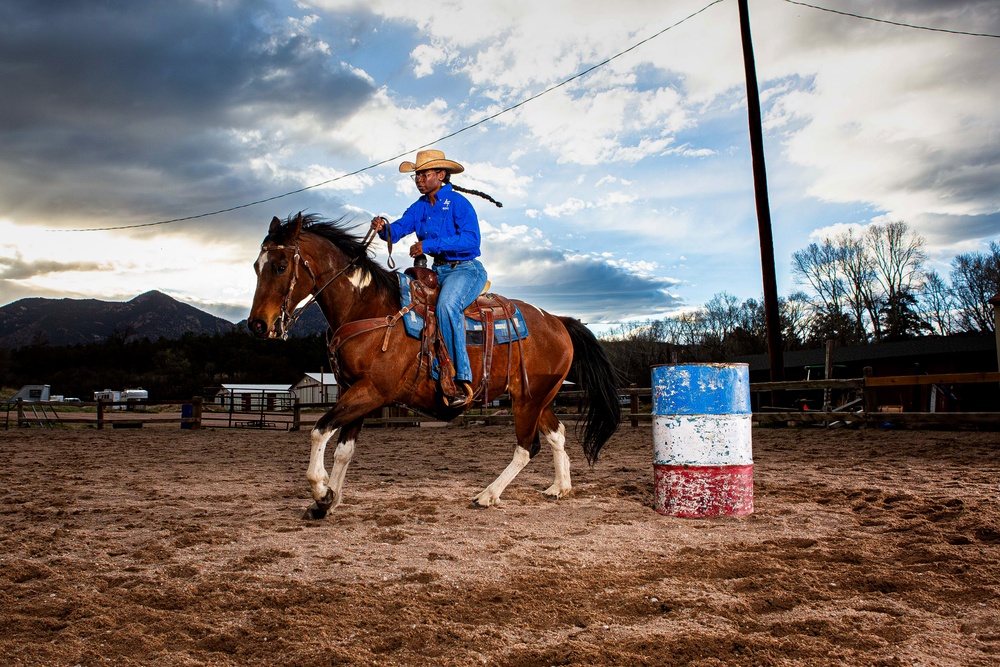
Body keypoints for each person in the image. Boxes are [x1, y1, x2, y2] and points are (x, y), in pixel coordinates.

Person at [371, 149, 492, 408]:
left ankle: (460, 378)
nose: (419, 179)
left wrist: (428, 245)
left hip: (465, 269)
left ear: (441, 174)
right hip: (437, 272)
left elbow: (472, 240)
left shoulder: (459, 203)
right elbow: (399, 229)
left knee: (448, 306)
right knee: (404, 303)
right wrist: (384, 228)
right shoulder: (419, 207)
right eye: (417, 175)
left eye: (425, 174)